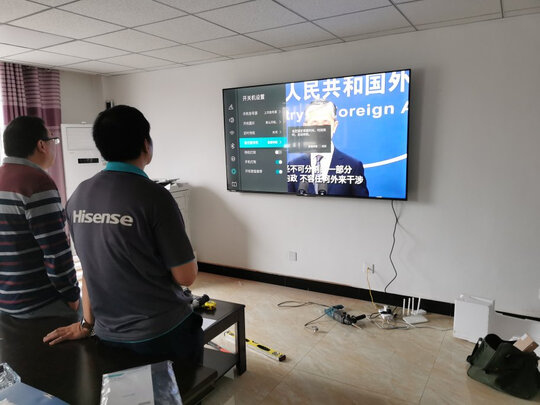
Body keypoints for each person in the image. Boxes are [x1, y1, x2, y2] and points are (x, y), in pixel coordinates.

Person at [43, 105, 202, 365]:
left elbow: (89, 270)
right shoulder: (155, 197)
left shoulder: (78, 195)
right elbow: (186, 276)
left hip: (107, 335)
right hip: (160, 333)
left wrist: (86, 324)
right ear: (146, 144)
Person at [0, 116, 80, 318]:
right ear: (42, 145)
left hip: (6, 302)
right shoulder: (36, 183)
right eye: (53, 139)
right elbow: (56, 250)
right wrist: (72, 295)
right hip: (39, 301)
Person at [287, 99, 369, 197]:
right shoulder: (293, 166)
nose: (320, 129)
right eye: (314, 124)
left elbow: (362, 204)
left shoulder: (353, 166)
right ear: (305, 127)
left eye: (325, 124)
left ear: (335, 126)